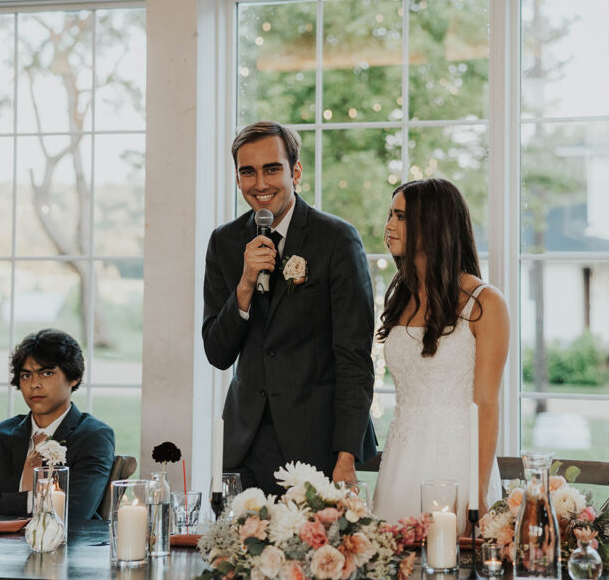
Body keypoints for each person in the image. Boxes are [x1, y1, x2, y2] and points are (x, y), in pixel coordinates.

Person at [203, 121, 377, 496]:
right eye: (247, 171)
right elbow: (217, 353)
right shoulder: (224, 242)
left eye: (272, 169)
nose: (260, 183)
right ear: (237, 178)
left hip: (316, 447)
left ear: (295, 171)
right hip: (243, 448)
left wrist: (346, 455)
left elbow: (354, 358)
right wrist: (246, 285)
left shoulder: (336, 239)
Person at [372, 178, 509, 530]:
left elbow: (488, 404)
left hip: (458, 463)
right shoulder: (400, 298)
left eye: (400, 216)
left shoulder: (485, 303)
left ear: (433, 223)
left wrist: (476, 491)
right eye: (390, 215)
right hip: (401, 459)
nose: (388, 226)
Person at [0, 329, 114, 519]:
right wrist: (32, 501)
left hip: (63, 547)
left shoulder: (94, 436)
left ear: (73, 377)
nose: (34, 384)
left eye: (46, 373)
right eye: (26, 375)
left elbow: (74, 512)